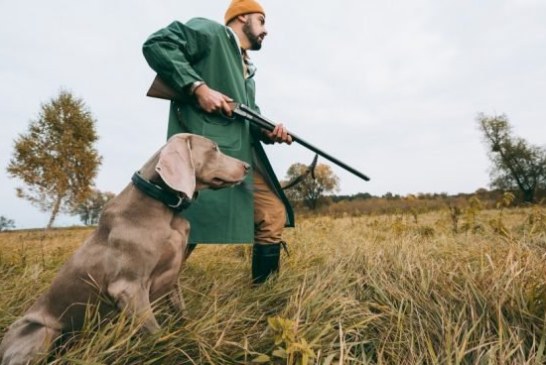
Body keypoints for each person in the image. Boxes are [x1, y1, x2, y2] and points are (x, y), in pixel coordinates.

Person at [142, 0, 294, 284]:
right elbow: (157, 44)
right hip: (205, 154)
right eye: (261, 21)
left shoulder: (247, 70)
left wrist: (269, 131)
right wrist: (198, 88)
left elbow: (250, 115)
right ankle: (141, 294)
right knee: (188, 227)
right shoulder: (211, 33)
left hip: (240, 154)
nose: (266, 30)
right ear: (242, 17)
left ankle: (266, 296)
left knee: (272, 212)